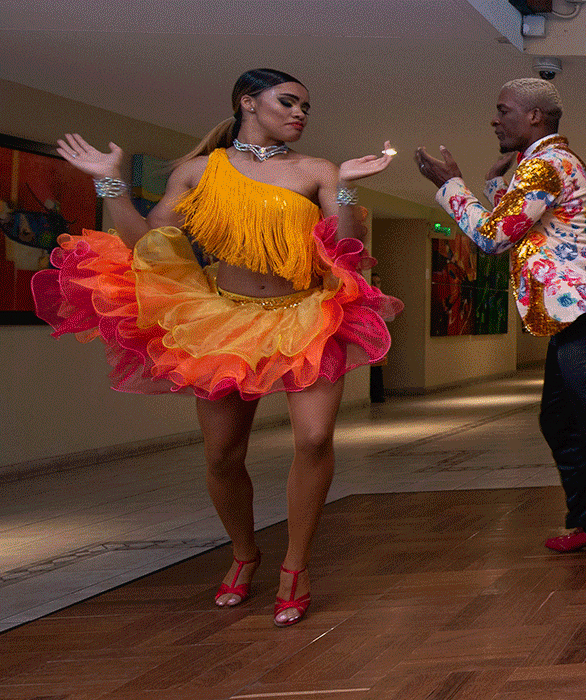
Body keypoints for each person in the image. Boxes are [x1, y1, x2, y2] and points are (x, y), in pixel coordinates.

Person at [34, 68, 400, 626]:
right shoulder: (200, 171)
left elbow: (347, 247)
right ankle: (244, 553)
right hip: (222, 321)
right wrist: (110, 182)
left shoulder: (318, 170)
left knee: (316, 435)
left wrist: (346, 185)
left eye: (306, 106)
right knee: (223, 456)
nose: (301, 113)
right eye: (289, 102)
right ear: (248, 102)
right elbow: (146, 243)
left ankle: (296, 566)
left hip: (306, 314)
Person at [415, 78, 586, 593]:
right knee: (559, 422)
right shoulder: (548, 165)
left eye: (503, 111)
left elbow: (492, 237)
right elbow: (531, 227)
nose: (495, 120)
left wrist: (451, 183)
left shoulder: (546, 164)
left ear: (535, 117)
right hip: (573, 315)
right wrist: (498, 187)